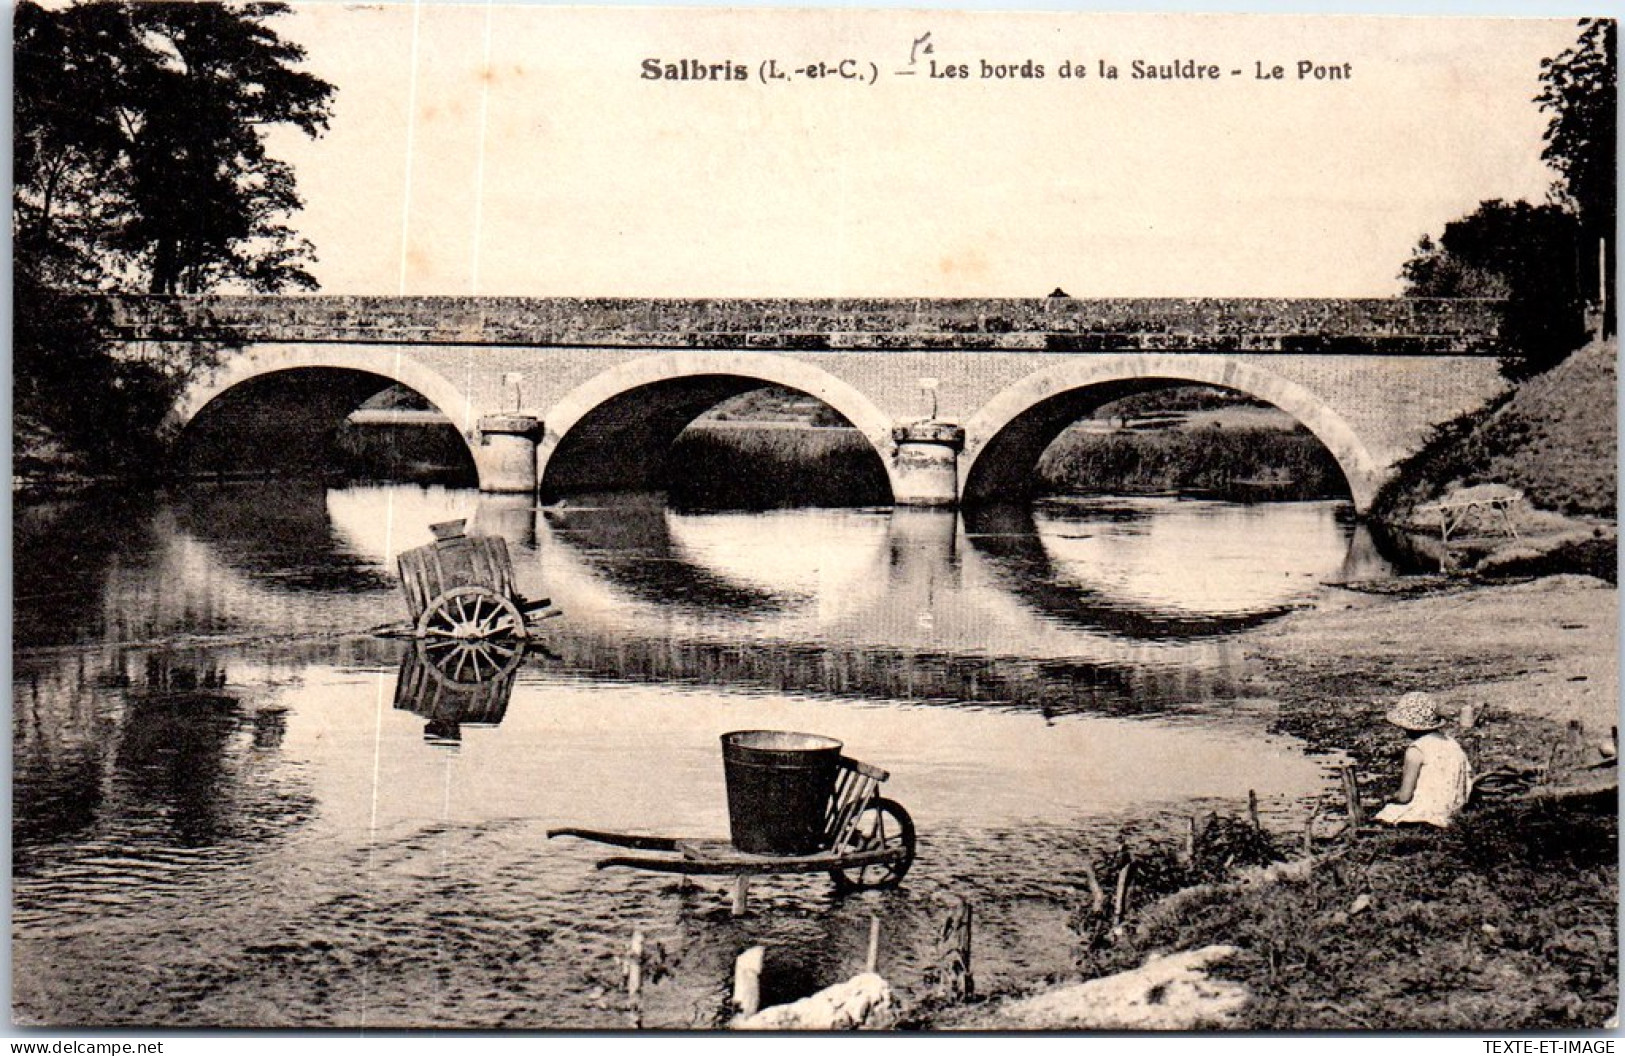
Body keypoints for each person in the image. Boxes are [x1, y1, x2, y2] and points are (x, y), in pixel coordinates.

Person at [1373, 691, 1472, 828]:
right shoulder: (1451, 743)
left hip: (1429, 811)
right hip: (1454, 808)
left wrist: (1391, 797)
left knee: (1387, 812)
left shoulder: (1416, 750)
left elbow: (1404, 797)